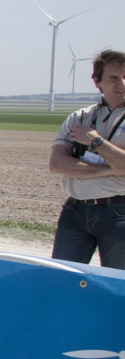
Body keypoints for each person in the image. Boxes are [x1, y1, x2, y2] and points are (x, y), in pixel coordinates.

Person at [49, 49, 125, 268]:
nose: (121, 83)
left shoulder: (83, 126)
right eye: (113, 78)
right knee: (63, 278)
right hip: (75, 211)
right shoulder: (80, 117)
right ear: (97, 81)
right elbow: (57, 164)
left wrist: (96, 141)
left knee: (117, 284)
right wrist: (112, 168)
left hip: (118, 212)